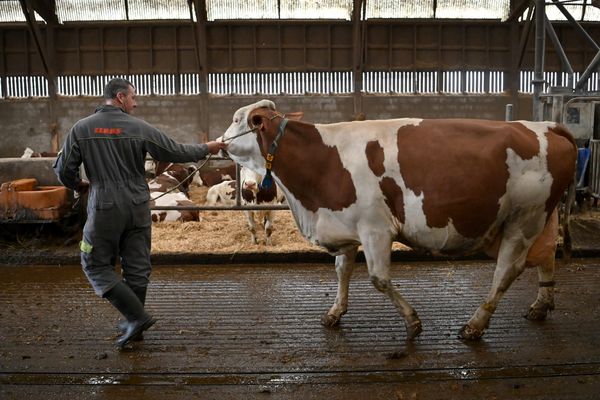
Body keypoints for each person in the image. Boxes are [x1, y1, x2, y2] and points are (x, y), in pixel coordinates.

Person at [53, 78, 227, 349]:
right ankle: (135, 324)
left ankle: (136, 317)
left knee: (94, 263)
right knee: (136, 267)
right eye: (134, 97)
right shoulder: (140, 127)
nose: (137, 102)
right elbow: (176, 151)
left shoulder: (81, 128)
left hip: (104, 206)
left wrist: (79, 184)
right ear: (120, 97)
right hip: (137, 205)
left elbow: (64, 170)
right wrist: (209, 147)